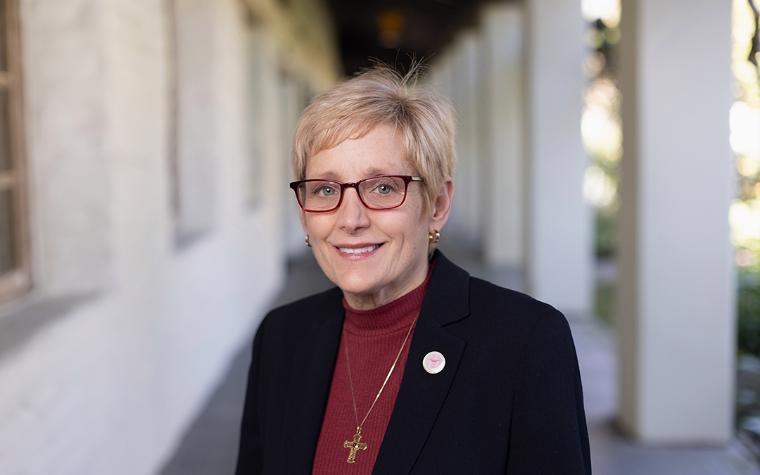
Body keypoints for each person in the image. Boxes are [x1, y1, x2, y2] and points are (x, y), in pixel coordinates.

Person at [235, 65, 591, 474]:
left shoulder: (525, 342)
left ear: (437, 204)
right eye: (326, 189)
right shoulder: (281, 339)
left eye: (383, 187)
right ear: (304, 213)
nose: (350, 219)